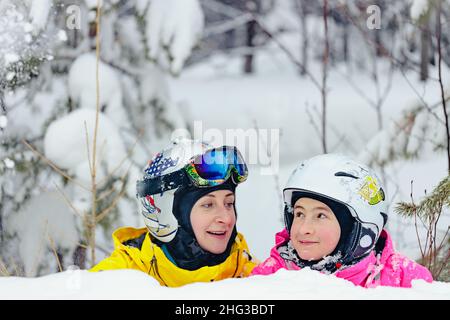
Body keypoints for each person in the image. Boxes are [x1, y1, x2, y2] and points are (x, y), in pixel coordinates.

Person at [91, 138, 258, 287]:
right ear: (166, 212)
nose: (227, 218)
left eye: (229, 203)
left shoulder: (250, 274)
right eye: (208, 205)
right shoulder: (116, 281)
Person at [251, 154, 433, 288]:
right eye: (299, 214)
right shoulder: (271, 277)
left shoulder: (404, 278)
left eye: (320, 216)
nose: (304, 228)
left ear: (357, 230)